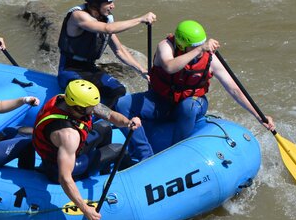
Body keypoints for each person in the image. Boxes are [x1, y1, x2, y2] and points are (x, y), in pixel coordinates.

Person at [116, 20, 276, 152]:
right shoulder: (165, 46)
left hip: (191, 104)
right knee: (123, 104)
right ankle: (144, 154)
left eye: (201, 45)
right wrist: (200, 48)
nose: (201, 51)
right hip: (161, 101)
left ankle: (177, 151)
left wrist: (258, 116)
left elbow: (234, 89)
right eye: (195, 46)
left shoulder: (210, 59)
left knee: (189, 106)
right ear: (181, 45)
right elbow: (169, 67)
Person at [32, 80, 146, 220]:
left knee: (105, 127)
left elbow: (110, 116)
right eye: (91, 108)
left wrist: (128, 122)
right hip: (59, 167)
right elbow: (64, 178)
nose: (94, 110)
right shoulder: (68, 136)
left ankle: (103, 171)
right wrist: (85, 209)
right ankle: (127, 180)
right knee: (118, 149)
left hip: (68, 150)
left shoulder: (66, 100)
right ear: (78, 108)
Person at [57, 0, 156, 109]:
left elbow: (119, 50)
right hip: (69, 69)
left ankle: (102, 121)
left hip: (89, 68)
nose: (113, 6)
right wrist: (140, 19)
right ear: (95, 3)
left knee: (118, 90)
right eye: (109, 2)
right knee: (85, 95)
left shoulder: (105, 18)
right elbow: (108, 29)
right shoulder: (78, 16)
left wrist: (141, 70)